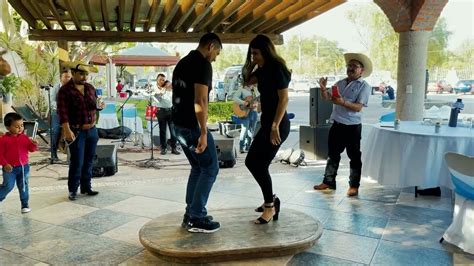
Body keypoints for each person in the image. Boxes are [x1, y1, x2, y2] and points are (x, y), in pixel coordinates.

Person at [172, 33, 222, 233]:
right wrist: (203, 131)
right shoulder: (202, 64)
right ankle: (196, 216)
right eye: (217, 52)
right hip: (192, 126)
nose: (216, 57)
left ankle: (190, 213)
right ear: (211, 46)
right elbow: (200, 100)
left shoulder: (182, 62)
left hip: (178, 126)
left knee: (198, 168)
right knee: (210, 168)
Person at [242, 34, 291, 224]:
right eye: (251, 53)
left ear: (266, 51)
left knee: (258, 164)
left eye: (255, 53)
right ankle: (271, 200)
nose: (253, 57)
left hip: (277, 126)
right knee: (252, 162)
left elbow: (284, 100)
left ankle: (270, 206)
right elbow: (247, 81)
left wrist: (274, 126)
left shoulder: (277, 69)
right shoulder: (261, 70)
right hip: (267, 125)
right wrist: (250, 63)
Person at [313, 53, 372, 197]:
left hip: (352, 127)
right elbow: (327, 98)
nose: (350, 68)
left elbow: (358, 107)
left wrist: (342, 103)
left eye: (354, 66)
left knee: (354, 157)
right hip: (337, 124)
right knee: (332, 155)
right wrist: (322, 89)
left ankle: (354, 186)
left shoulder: (364, 86)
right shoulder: (340, 83)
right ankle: (328, 182)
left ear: (361, 70)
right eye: (349, 65)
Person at [57, 61, 104, 201]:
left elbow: (93, 105)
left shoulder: (90, 88)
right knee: (77, 161)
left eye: (86, 74)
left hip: (92, 130)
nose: (84, 77)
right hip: (76, 130)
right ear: (73, 73)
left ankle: (86, 187)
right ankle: (73, 190)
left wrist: (100, 106)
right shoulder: (64, 90)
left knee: (89, 160)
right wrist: (66, 130)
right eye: (81, 74)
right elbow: (62, 112)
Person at [0, 112, 38, 213]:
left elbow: (31, 149)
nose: (20, 128)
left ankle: (24, 205)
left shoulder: (24, 137)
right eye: (17, 126)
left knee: (24, 186)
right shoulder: (3, 140)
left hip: (23, 167)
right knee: (8, 186)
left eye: (21, 125)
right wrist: (5, 164)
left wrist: (34, 144)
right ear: (8, 127)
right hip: (10, 169)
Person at [153, 74, 180, 155]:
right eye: (161, 79)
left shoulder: (172, 91)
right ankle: (163, 148)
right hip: (161, 112)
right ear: (157, 79)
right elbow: (158, 98)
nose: (163, 81)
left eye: (164, 80)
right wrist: (164, 89)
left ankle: (173, 148)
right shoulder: (156, 89)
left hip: (171, 111)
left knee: (173, 131)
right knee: (162, 130)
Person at [49, 69, 72, 160]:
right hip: (57, 113)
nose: (68, 79)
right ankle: (53, 152)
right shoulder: (56, 88)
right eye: (65, 77)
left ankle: (72, 154)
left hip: (71, 113)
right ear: (61, 78)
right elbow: (52, 101)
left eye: (69, 77)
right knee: (56, 130)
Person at [232, 80, 258, 153]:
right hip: (245, 111)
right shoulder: (242, 89)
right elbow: (235, 98)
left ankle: (248, 147)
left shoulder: (255, 89)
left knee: (251, 130)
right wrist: (244, 102)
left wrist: (256, 103)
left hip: (254, 112)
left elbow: (258, 100)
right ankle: (241, 147)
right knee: (245, 129)